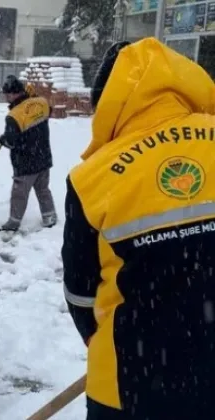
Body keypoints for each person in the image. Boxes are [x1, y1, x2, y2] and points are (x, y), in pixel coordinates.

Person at [62, 37, 215, 420]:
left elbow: (81, 295)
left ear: (109, 102)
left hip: (133, 384)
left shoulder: (92, 178)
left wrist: (104, 342)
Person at [0, 75, 57, 232]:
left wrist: (4, 140)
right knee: (43, 190)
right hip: (43, 159)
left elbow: (11, 141)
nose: (6, 98)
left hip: (25, 163)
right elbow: (49, 111)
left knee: (19, 194)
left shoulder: (14, 115)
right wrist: (33, 98)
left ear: (14, 94)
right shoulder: (41, 102)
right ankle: (50, 218)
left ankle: (13, 223)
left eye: (7, 95)